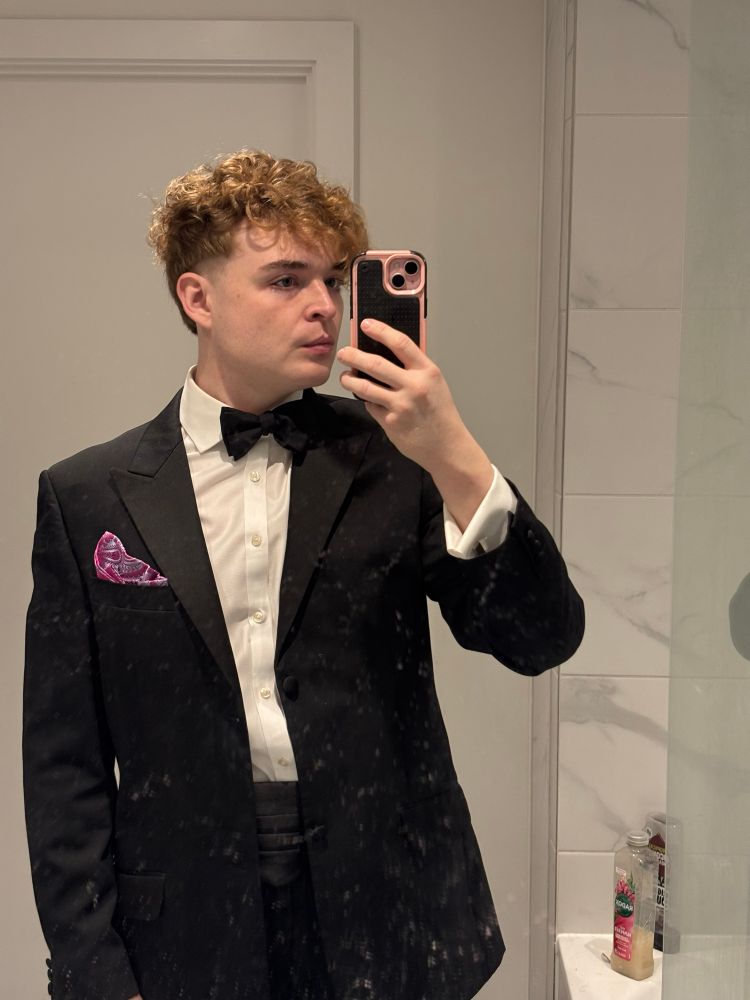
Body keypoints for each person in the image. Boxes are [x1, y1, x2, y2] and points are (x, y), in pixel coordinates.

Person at [23, 149, 584, 1000]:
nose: (324, 304)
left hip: (391, 910)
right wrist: (94, 970)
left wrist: (456, 455)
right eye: (286, 280)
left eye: (332, 280)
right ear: (198, 298)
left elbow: (540, 639)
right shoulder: (88, 495)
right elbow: (63, 763)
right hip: (185, 923)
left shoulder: (396, 460)